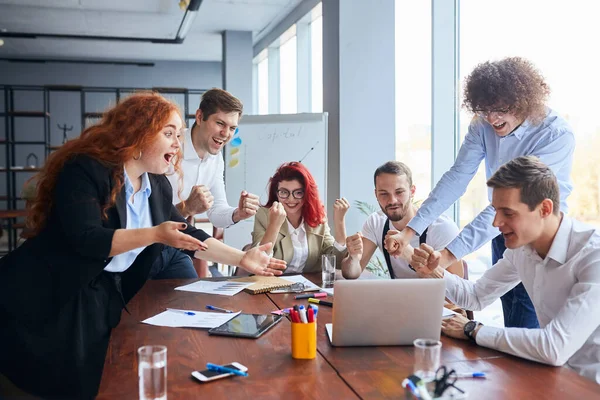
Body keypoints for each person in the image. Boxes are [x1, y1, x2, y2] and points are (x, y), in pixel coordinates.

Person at [0, 93, 286, 399]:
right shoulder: (86, 169)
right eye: (169, 134)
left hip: (99, 290)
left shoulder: (156, 184)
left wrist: (244, 258)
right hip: (49, 290)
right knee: (41, 379)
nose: (178, 144)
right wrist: (155, 234)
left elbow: (187, 233)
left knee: (94, 380)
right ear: (138, 133)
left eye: (178, 135)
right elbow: (87, 239)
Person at [384, 57, 575, 329]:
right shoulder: (483, 125)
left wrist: (448, 256)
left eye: (500, 109)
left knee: (528, 323)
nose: (492, 118)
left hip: (543, 235)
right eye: (485, 110)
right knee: (510, 314)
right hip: (506, 233)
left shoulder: (555, 134)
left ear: (523, 101)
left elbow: (512, 204)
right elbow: (457, 178)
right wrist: (409, 231)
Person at [412, 156, 600, 384]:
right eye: (495, 211)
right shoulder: (522, 250)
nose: (496, 222)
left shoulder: (593, 256)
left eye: (508, 213)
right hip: (555, 378)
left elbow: (554, 346)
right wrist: (435, 271)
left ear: (544, 209)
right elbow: (476, 297)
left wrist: (473, 329)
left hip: (590, 384)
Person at [153, 88, 260, 278]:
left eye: (232, 128)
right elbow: (150, 216)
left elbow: (216, 213)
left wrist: (238, 213)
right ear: (200, 117)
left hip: (176, 246)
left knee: (191, 295)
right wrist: (187, 208)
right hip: (146, 247)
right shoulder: (169, 149)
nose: (226, 134)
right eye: (220, 123)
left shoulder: (216, 159)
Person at [342, 161, 463, 279]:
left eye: (399, 192)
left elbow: (458, 294)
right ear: (376, 195)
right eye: (384, 194)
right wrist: (353, 258)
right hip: (397, 298)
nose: (392, 200)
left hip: (435, 300)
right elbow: (352, 274)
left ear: (412, 191)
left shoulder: (441, 227)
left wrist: (409, 254)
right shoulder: (376, 222)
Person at [249, 162, 348, 273]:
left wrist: (339, 222)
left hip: (306, 286)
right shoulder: (264, 215)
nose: (291, 199)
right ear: (276, 193)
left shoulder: (317, 216)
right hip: (271, 284)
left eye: (298, 193)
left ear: (307, 194)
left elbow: (336, 262)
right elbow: (259, 261)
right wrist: (274, 225)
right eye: (284, 192)